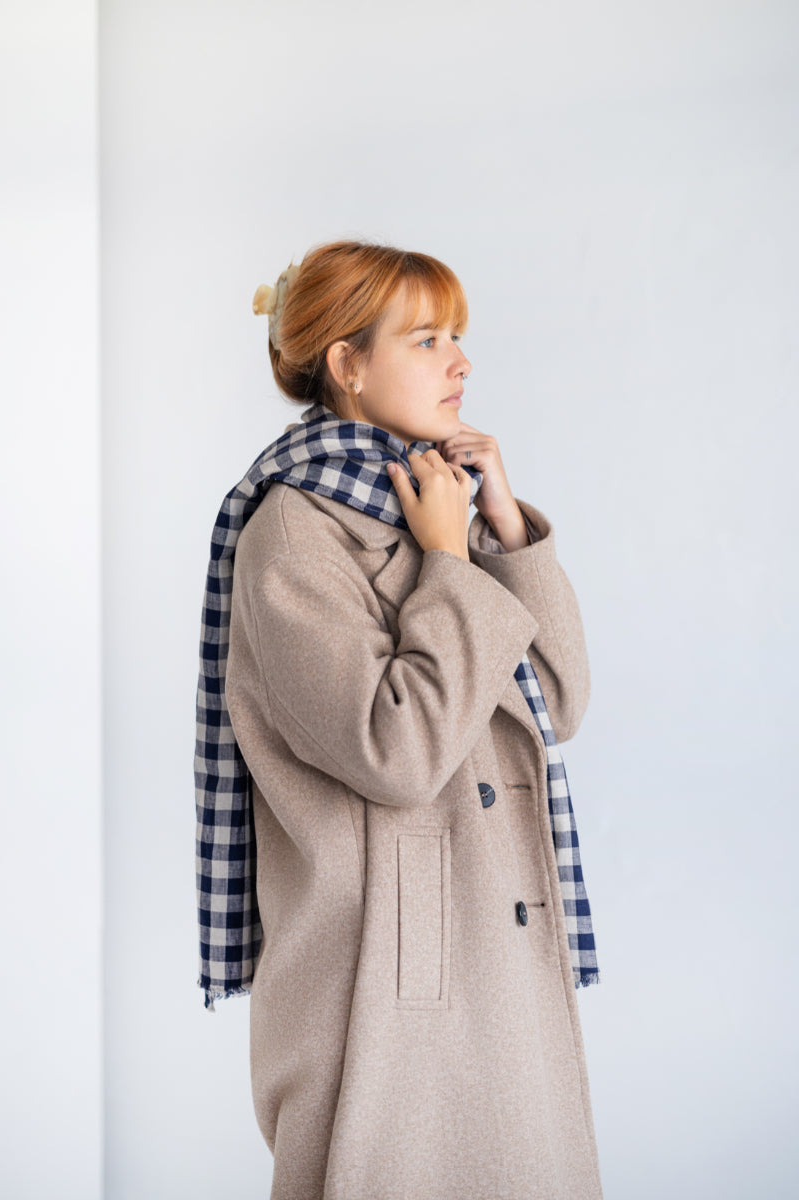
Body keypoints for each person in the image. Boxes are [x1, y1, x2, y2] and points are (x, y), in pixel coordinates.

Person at [194, 239, 603, 1200]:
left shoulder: (430, 501)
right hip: (381, 984)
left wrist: (501, 528)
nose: (461, 362)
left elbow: (560, 699)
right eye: (426, 339)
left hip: (487, 957)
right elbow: (397, 750)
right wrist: (448, 564)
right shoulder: (292, 531)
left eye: (457, 336)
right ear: (348, 363)